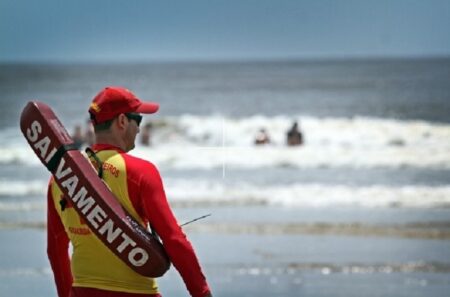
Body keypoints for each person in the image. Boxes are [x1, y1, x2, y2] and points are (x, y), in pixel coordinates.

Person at [47, 86, 212, 297]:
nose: (139, 129)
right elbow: (174, 240)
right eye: (138, 120)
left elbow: (56, 251)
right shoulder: (140, 171)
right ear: (122, 121)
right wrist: (202, 293)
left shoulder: (60, 180)